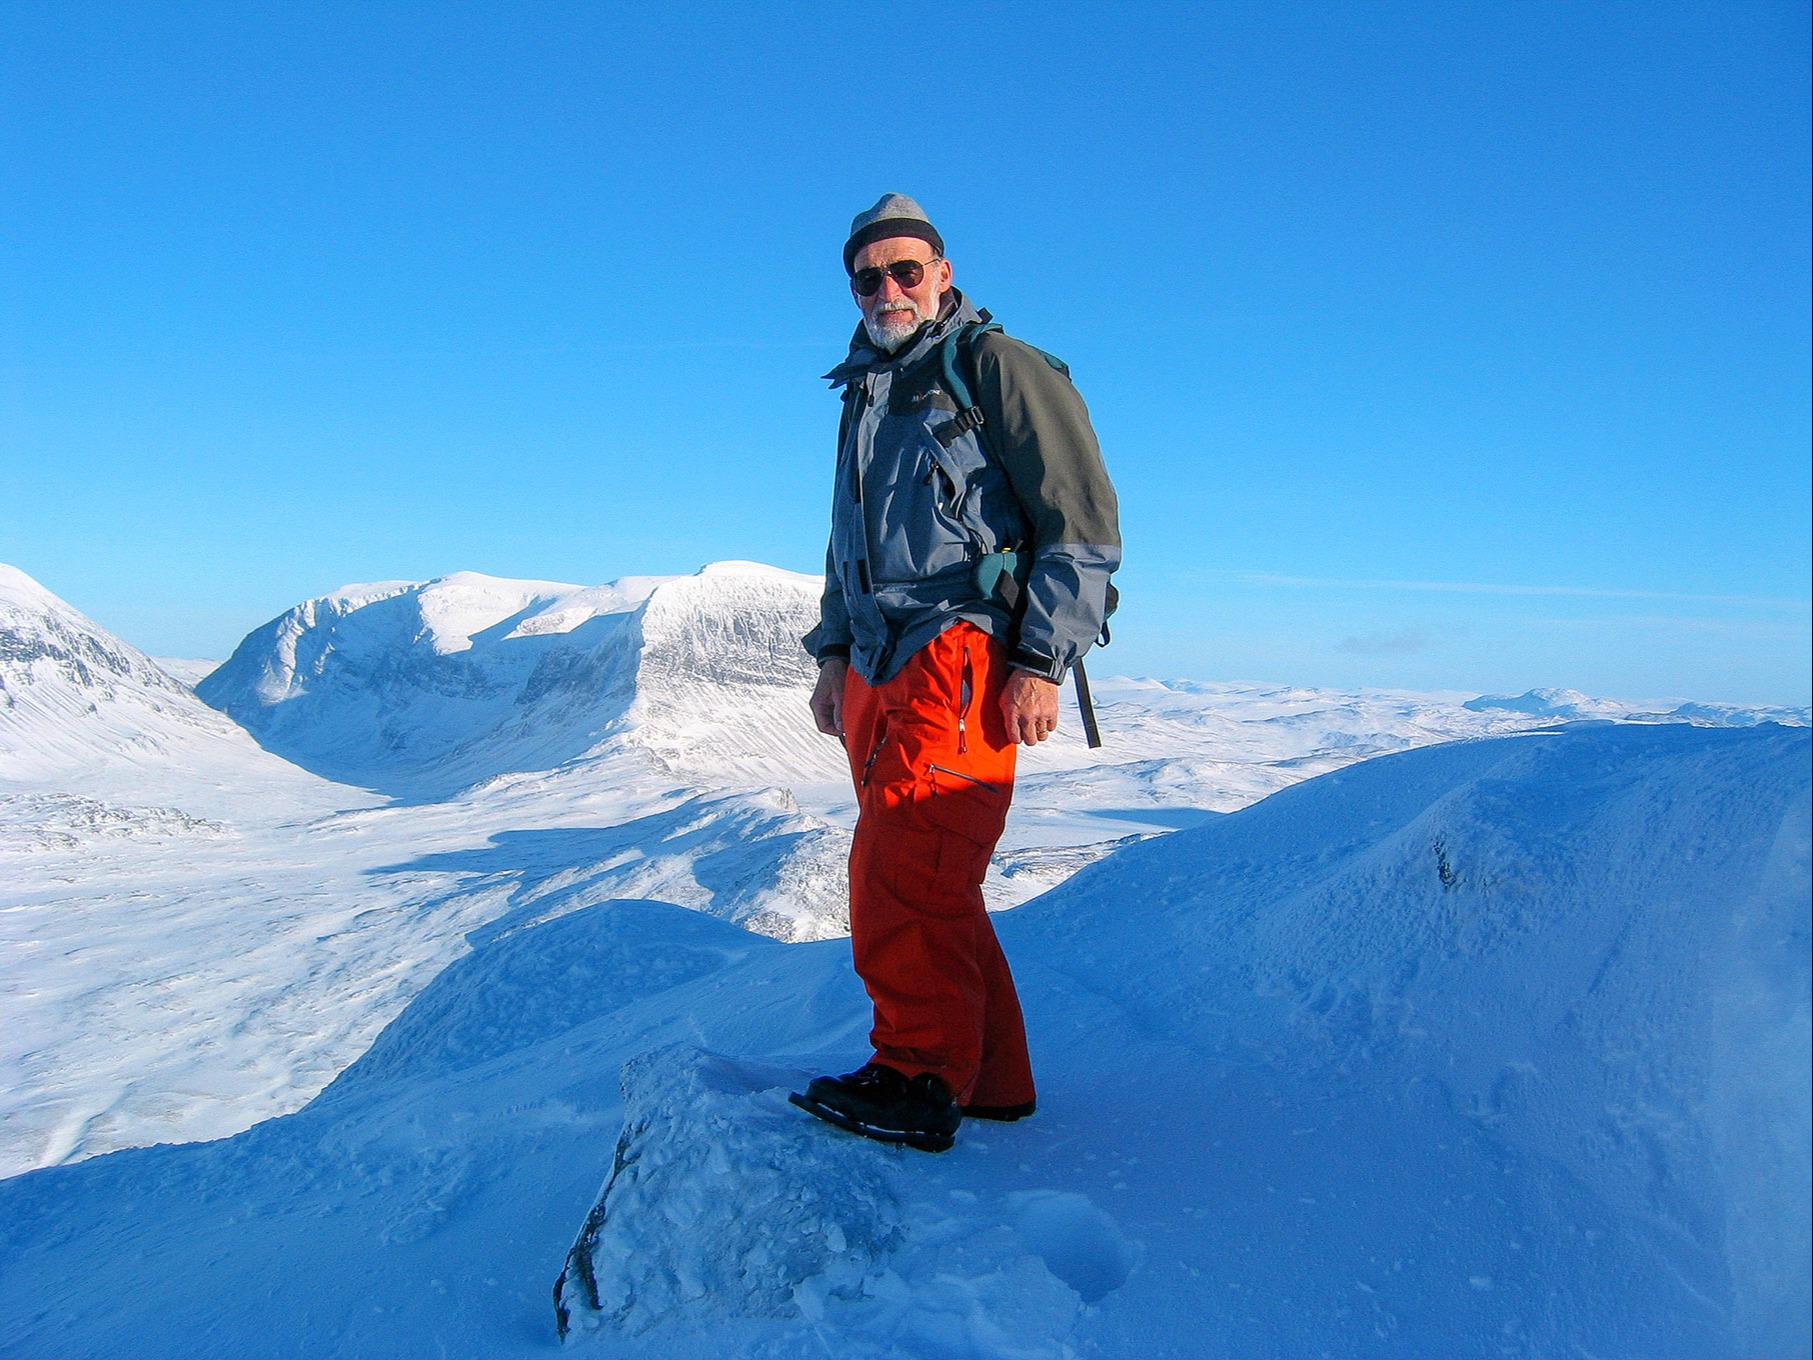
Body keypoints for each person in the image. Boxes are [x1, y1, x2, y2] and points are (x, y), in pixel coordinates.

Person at [791, 193, 1121, 1152]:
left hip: (961, 648)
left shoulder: (998, 368)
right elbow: (843, 539)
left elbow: (1083, 526)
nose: (886, 288)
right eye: (867, 276)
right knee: (933, 879)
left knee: (901, 868)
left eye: (905, 269)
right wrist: (833, 653)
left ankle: (917, 1076)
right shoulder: (864, 389)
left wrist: (1040, 659)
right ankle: (991, 1081)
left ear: (941, 271)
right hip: (875, 656)